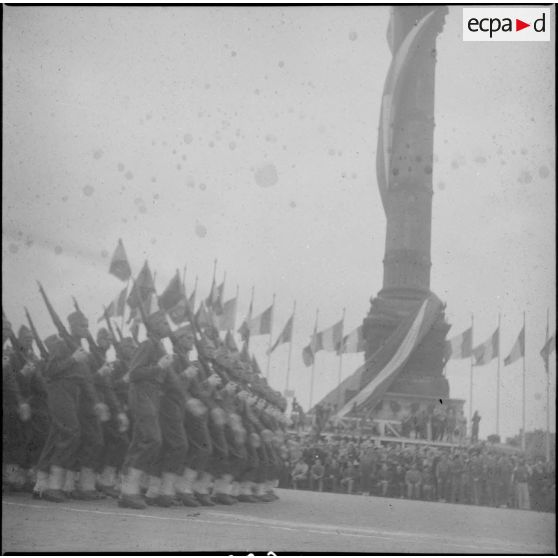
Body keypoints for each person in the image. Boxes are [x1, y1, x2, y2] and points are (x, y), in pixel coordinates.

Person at [118, 310, 175, 509]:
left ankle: (128, 489)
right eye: (164, 323)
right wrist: (159, 367)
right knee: (152, 439)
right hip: (141, 393)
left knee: (142, 439)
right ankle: (129, 489)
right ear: (154, 325)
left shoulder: (159, 345)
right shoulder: (148, 344)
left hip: (151, 395)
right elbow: (133, 373)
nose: (168, 326)